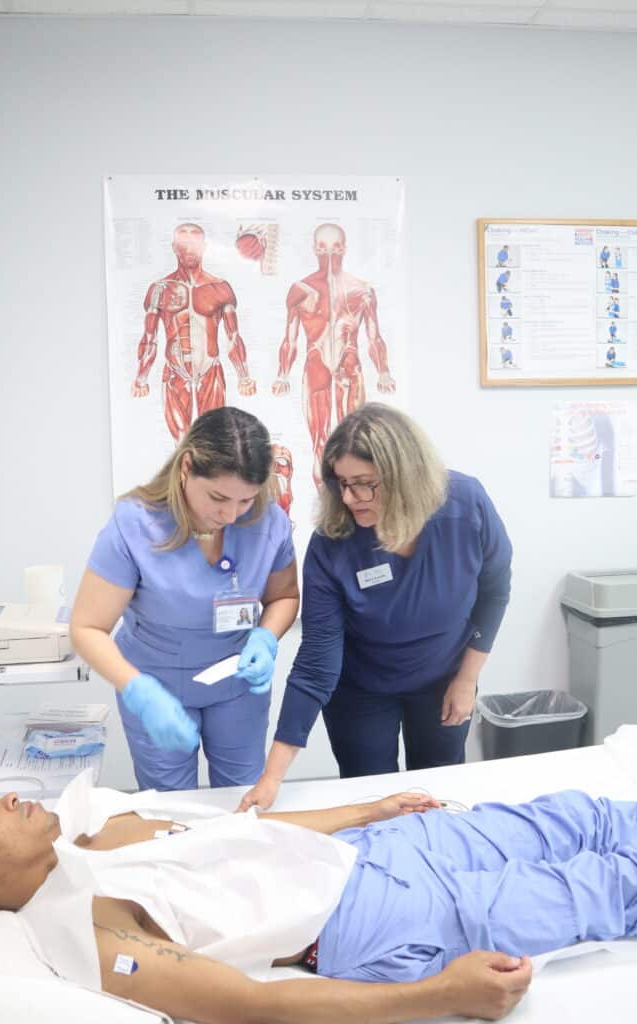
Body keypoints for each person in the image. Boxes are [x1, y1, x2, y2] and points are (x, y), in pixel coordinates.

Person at [0, 783, 637, 1022]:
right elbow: (254, 1003)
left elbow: (240, 834)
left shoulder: (96, 837)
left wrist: (364, 812)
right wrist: (442, 992)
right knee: (609, 884)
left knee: (585, 816)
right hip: (372, 921)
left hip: (369, 853)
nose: (9, 799)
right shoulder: (88, 936)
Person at [240, 404, 511, 810]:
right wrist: (272, 776)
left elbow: (494, 591)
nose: (350, 498)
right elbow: (316, 662)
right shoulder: (332, 544)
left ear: (407, 476)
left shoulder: (465, 505)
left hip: (444, 676)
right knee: (372, 800)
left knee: (438, 795)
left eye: (366, 484)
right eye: (342, 483)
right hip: (359, 690)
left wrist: (468, 678)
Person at [70, 406, 298, 791]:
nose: (230, 514)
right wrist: (138, 691)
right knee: (170, 808)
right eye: (218, 497)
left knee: (242, 797)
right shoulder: (136, 523)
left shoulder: (268, 520)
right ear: (186, 467)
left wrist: (266, 637)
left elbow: (285, 597)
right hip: (155, 685)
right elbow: (87, 627)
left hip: (237, 684)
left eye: (245, 501)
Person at [272, 223, 395, 485]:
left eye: (336, 248)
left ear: (345, 249)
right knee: (320, 444)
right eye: (324, 248)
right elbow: (290, 338)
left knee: (354, 441)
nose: (330, 255)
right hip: (316, 365)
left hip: (350, 365)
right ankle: (328, 512)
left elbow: (373, 336)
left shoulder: (362, 290)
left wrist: (383, 372)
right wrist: (282, 374)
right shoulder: (300, 290)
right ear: (315, 249)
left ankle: (349, 507)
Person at [131, 222, 256, 442]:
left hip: (210, 370)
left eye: (194, 244)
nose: (189, 250)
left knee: (212, 443)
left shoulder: (220, 287)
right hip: (175, 371)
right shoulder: (159, 289)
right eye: (183, 244)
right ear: (174, 247)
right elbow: (149, 338)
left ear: (205, 246)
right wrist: (141, 378)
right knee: (182, 444)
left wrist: (244, 376)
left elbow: (233, 336)